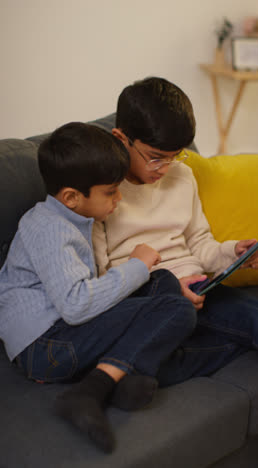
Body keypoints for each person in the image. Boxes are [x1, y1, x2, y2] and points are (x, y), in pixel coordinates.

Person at [0, 122, 199, 454]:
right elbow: (76, 305)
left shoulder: (71, 220)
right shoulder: (48, 228)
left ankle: (123, 380)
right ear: (72, 197)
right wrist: (136, 265)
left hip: (60, 335)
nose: (118, 200)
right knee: (176, 309)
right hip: (44, 346)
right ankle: (93, 390)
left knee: (162, 282)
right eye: (111, 192)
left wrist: (143, 272)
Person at [92, 76, 258, 386]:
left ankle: (139, 371)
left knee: (257, 319)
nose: (165, 169)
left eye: (175, 156)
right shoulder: (99, 192)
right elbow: (101, 277)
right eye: (156, 158)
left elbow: (200, 244)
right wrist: (170, 294)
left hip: (200, 291)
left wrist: (233, 252)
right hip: (147, 301)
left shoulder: (182, 176)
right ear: (121, 138)